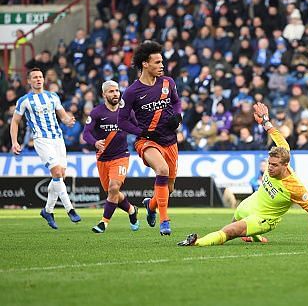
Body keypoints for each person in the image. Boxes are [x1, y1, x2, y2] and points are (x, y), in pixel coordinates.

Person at [177, 102, 308, 247]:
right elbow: (277, 136)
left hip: (265, 218)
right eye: (269, 163)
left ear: (285, 165)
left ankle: (197, 242)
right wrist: (265, 121)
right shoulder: (283, 152)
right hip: (251, 203)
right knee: (233, 224)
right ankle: (254, 237)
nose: (269, 168)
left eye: (274, 165)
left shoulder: (294, 187)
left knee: (231, 231)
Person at [118, 41, 181, 236]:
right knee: (161, 169)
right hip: (147, 141)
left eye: (162, 62)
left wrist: (177, 117)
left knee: (169, 189)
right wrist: (142, 132)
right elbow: (122, 121)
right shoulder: (131, 92)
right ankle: (165, 221)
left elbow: (176, 102)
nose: (162, 65)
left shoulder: (168, 83)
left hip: (169, 140)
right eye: (157, 62)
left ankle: (150, 204)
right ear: (145, 64)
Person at [10, 68, 81, 229]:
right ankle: (70, 209)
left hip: (58, 138)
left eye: (40, 77)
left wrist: (68, 120)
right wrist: (15, 141)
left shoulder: (52, 96)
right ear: (29, 81)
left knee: (60, 177)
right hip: (41, 139)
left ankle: (47, 211)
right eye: (34, 77)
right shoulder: (24, 100)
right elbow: (15, 121)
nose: (38, 79)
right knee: (56, 172)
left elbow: (62, 115)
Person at [83, 80, 139, 234]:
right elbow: (86, 133)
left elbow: (138, 128)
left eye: (117, 91)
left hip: (121, 156)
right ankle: (132, 210)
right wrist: (95, 143)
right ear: (104, 94)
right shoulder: (96, 112)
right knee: (112, 193)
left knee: (114, 188)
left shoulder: (126, 112)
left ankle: (103, 223)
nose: (115, 94)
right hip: (103, 158)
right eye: (111, 91)